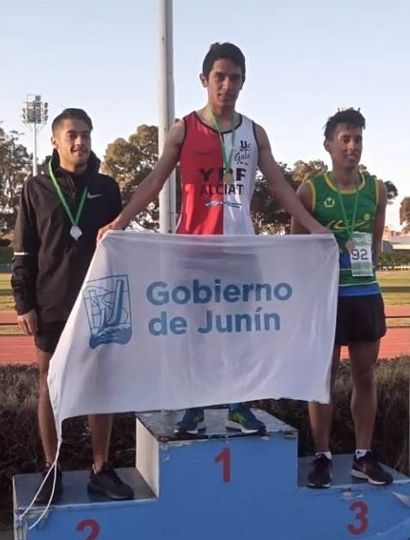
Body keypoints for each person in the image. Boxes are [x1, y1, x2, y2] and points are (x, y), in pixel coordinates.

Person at [97, 42, 328, 436]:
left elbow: (279, 186)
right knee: (196, 333)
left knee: (241, 331)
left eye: (235, 78)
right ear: (204, 80)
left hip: (240, 252)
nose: (227, 85)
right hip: (194, 252)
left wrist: (312, 226)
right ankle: (195, 409)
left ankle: (239, 407)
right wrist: (120, 220)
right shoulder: (184, 128)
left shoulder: (255, 132)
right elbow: (155, 181)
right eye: (219, 77)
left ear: (243, 81)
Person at [11, 108, 134, 503]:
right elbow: (24, 252)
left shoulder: (107, 187)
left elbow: (121, 246)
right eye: (72, 135)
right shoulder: (34, 189)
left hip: (100, 300)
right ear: (55, 140)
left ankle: (101, 467)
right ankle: (52, 468)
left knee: (102, 382)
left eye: (86, 135)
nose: (80, 142)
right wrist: (23, 302)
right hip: (50, 302)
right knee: (50, 383)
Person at [291, 108, 392, 488]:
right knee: (323, 378)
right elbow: (297, 248)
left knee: (365, 376)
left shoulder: (376, 189)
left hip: (364, 293)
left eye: (358, 140)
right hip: (325, 297)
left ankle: (363, 456)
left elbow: (377, 241)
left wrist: (361, 265)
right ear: (328, 145)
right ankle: (322, 455)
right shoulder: (310, 190)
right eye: (345, 139)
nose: (353, 146)